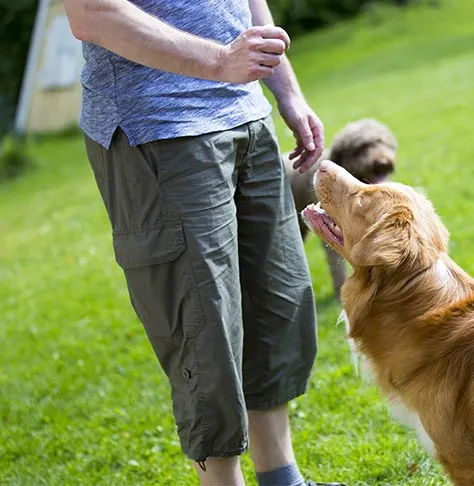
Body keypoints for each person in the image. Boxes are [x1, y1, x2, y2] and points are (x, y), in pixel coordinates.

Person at [64, 1, 341, 485]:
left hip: (245, 116)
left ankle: (283, 479)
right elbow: (92, 13)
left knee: (276, 306)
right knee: (204, 329)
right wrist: (219, 62)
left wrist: (287, 92)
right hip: (160, 127)